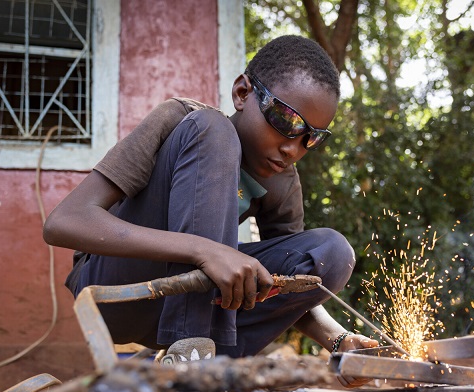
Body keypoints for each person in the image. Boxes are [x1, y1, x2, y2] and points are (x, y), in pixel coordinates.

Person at [43, 35, 378, 364]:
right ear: (243, 92)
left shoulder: (282, 181)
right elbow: (64, 222)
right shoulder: (184, 121)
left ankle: (210, 367)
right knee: (213, 129)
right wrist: (204, 250)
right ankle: (192, 353)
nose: (293, 148)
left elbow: (289, 287)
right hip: (119, 295)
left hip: (198, 312)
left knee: (331, 254)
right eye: (286, 120)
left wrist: (338, 339)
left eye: (311, 138)